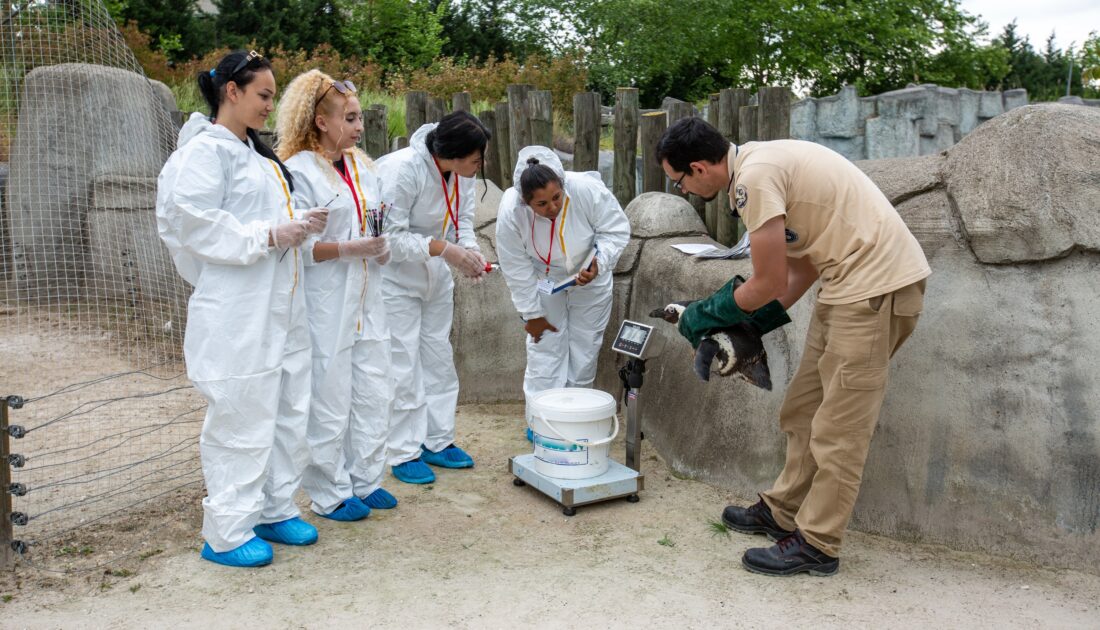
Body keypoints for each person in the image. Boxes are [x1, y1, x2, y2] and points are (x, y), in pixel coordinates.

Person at [656, 117, 930, 577]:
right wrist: (753, 325)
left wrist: (706, 315)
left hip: (874, 291)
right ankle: (782, 511)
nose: (682, 190)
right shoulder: (760, 165)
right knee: (803, 408)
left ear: (700, 168)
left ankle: (819, 543)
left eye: (680, 180)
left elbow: (768, 280)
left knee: (839, 429)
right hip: (845, 288)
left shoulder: (755, 179)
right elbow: (800, 270)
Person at [156, 50, 328, 568]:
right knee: (241, 417)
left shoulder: (256, 156)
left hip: (281, 304)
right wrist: (270, 234)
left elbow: (257, 217)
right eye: (263, 95)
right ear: (231, 91)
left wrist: (297, 221)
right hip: (239, 310)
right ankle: (227, 532)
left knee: (287, 409)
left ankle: (274, 507)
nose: (269, 107)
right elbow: (191, 222)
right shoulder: (205, 153)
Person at [275, 69, 399, 522]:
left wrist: (377, 246)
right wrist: (350, 248)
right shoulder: (300, 170)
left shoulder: (363, 166)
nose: (358, 126)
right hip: (327, 301)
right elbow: (300, 248)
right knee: (329, 395)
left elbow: (375, 219)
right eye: (349, 118)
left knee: (373, 389)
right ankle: (329, 491)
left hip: (368, 297)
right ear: (321, 121)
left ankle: (365, 479)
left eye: (359, 117)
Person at [374, 111, 490, 484]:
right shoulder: (402, 170)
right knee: (402, 363)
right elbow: (387, 238)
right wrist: (445, 250)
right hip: (395, 279)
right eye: (475, 158)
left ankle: (437, 440)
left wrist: (469, 256)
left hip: (435, 275)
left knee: (439, 356)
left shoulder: (462, 174)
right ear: (453, 153)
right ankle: (403, 451)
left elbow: (463, 221)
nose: (480, 165)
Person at [495, 146, 630, 438]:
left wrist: (598, 262)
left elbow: (616, 230)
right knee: (545, 347)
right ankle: (541, 421)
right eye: (541, 204)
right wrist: (531, 313)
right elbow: (515, 268)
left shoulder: (585, 188)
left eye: (556, 198)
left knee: (585, 347)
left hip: (589, 273)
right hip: (543, 277)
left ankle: (573, 420)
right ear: (525, 201)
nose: (552, 207)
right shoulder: (510, 211)